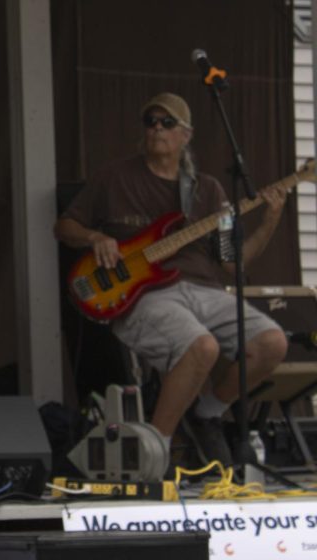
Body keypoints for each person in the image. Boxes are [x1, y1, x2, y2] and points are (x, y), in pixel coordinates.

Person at [54, 92, 288, 466]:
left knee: (272, 343)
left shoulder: (208, 190)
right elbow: (64, 225)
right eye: (151, 122)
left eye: (167, 123)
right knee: (202, 347)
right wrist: (95, 237)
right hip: (144, 293)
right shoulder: (114, 178)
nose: (158, 129)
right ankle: (154, 450)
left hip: (204, 288)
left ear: (186, 135)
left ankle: (208, 413)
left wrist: (270, 219)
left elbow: (233, 263)